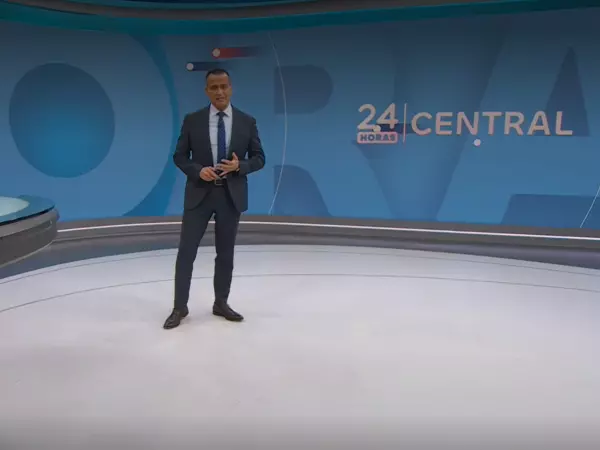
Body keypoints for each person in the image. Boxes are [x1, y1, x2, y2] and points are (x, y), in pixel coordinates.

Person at [164, 68, 266, 330]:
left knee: (225, 253)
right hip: (199, 195)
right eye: (214, 87)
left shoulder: (247, 121)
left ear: (231, 88)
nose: (219, 91)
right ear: (206, 91)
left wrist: (239, 166)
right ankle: (179, 307)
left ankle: (221, 302)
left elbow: (259, 158)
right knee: (186, 252)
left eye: (224, 86)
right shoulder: (192, 120)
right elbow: (179, 156)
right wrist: (197, 170)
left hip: (230, 196)